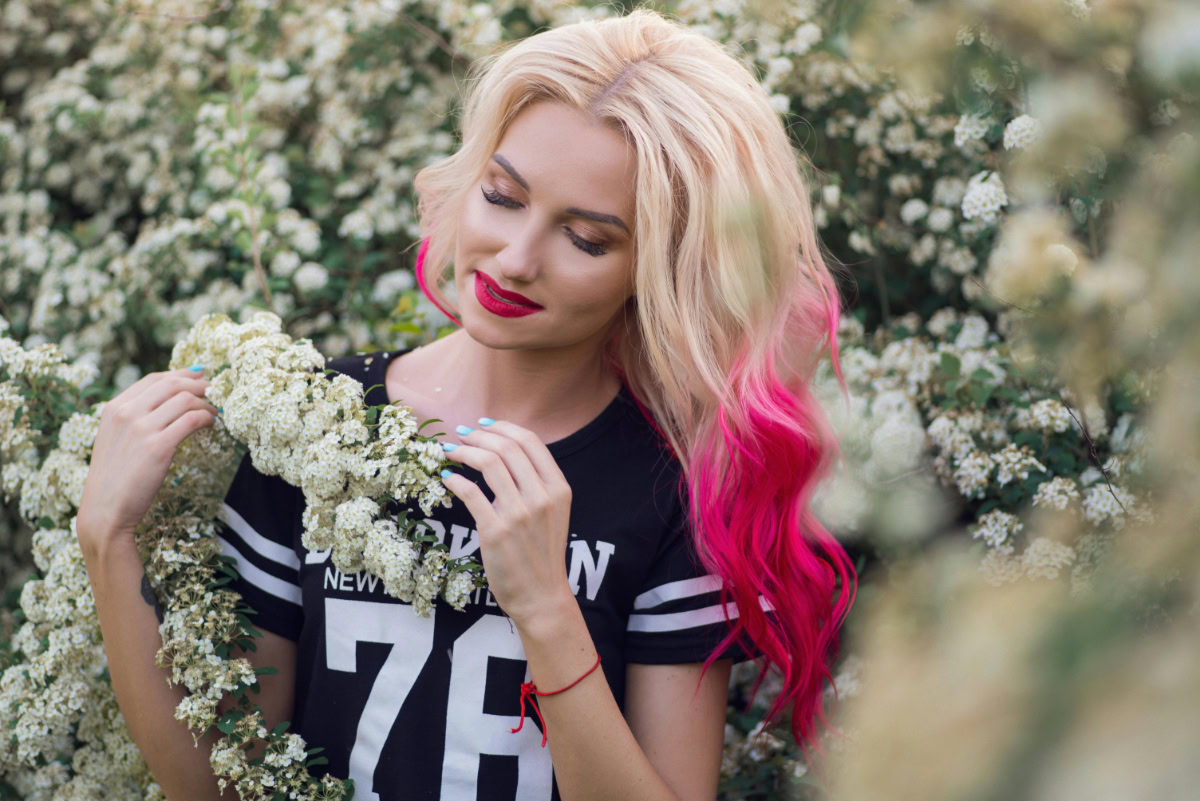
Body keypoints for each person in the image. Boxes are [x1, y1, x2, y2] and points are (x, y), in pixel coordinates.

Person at [76, 7, 857, 801]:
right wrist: (107, 540)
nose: (515, 259)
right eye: (502, 195)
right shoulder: (313, 423)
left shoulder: (667, 487)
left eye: (586, 239)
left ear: (659, 270)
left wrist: (547, 612)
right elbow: (218, 785)